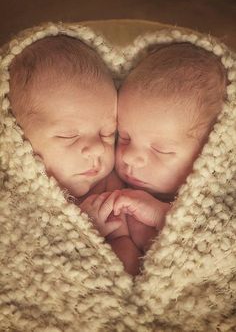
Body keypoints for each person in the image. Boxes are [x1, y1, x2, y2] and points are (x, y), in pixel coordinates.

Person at [8, 35, 147, 276]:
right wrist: (80, 229)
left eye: (107, 133)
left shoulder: (111, 186)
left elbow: (131, 254)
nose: (97, 148)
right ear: (17, 136)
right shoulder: (15, 198)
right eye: (69, 135)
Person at [85, 42, 227, 272]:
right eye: (124, 137)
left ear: (209, 153)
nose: (130, 157)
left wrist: (164, 216)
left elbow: (217, 248)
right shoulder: (105, 183)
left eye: (161, 150)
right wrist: (87, 226)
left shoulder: (211, 205)